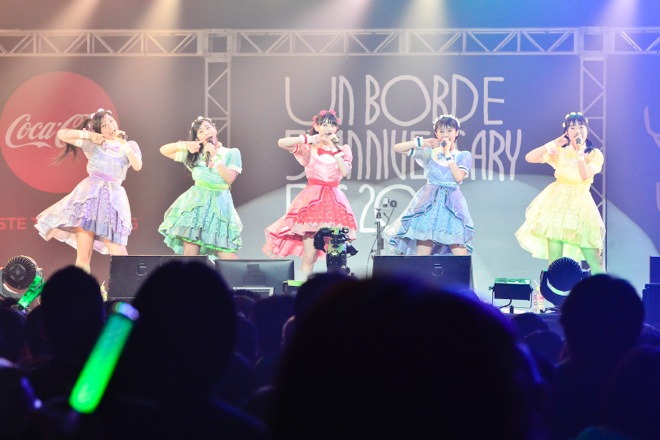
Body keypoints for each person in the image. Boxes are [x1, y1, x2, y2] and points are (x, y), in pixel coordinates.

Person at [35, 109, 142, 273]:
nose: (110, 127)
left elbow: (137, 166)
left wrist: (125, 145)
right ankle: (81, 288)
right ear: (99, 130)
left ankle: (127, 287)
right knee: (84, 255)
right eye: (104, 125)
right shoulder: (94, 144)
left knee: (119, 253)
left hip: (113, 201)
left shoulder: (130, 145)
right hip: (90, 199)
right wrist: (89, 135)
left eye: (111, 121)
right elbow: (62, 134)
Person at [263, 109, 357, 279]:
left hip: (334, 206)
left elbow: (345, 171)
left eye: (332, 125)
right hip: (312, 204)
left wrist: (335, 149)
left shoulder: (343, 149)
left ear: (336, 128)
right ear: (317, 126)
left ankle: (335, 291)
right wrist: (306, 139)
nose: (328, 128)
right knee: (309, 256)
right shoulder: (309, 148)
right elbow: (281, 143)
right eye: (324, 124)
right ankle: (305, 290)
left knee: (336, 256)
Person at [516, 112, 605, 274]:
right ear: (567, 132)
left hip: (581, 208)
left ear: (587, 130)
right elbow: (530, 157)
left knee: (594, 260)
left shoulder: (594, 154)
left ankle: (605, 289)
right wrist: (552, 144)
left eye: (581, 127)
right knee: (555, 261)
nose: (577, 131)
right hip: (557, 207)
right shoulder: (560, 152)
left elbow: (585, 175)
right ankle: (555, 289)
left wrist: (580, 156)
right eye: (573, 128)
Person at [384, 114, 473, 256]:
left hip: (452, 206)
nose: (445, 134)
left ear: (456, 133)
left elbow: (458, 177)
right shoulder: (429, 153)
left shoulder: (463, 155)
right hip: (428, 206)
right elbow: (398, 148)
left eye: (449, 130)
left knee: (458, 248)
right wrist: (422, 142)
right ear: (436, 133)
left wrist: (447, 153)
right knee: (423, 248)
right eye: (441, 131)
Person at [159, 116, 242, 259]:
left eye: (208, 128)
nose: (206, 132)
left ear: (215, 129)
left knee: (227, 254)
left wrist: (215, 157)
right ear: (197, 138)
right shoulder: (194, 155)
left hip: (219, 207)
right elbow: (164, 150)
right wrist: (186, 145)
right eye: (201, 131)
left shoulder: (231, 152)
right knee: (191, 253)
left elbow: (230, 178)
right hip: (195, 207)